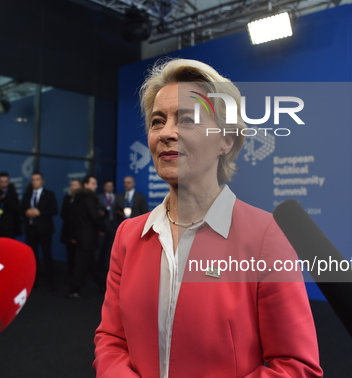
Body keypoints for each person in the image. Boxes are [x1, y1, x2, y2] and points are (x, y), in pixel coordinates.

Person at [94, 59, 323, 377]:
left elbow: (296, 366)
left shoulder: (266, 235)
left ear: (226, 140)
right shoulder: (129, 234)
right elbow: (112, 339)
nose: (167, 133)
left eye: (187, 119)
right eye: (158, 121)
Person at [67, 175, 105, 298]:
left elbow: (72, 219)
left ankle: (104, 286)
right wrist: (103, 227)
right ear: (86, 185)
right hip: (88, 236)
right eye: (93, 184)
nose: (96, 186)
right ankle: (73, 290)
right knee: (81, 264)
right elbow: (94, 216)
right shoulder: (88, 198)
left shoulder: (76, 198)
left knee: (91, 263)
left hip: (81, 235)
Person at [22, 172, 58, 291]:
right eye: (33, 179)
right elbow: (21, 208)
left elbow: (54, 210)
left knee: (47, 255)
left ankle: (51, 281)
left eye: (37, 179)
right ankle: (33, 281)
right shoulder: (27, 194)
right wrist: (26, 212)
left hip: (44, 230)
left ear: (42, 181)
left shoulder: (49, 194)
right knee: (32, 257)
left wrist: (40, 213)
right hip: (31, 229)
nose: (35, 181)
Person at [60, 178, 83, 278]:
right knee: (70, 255)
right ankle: (71, 276)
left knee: (79, 257)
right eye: (72, 185)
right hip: (68, 232)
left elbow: (80, 218)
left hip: (78, 233)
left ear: (80, 186)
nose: (73, 187)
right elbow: (63, 214)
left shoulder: (82, 200)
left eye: (75, 185)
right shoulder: (67, 198)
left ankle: (78, 278)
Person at [0, 171, 20, 239]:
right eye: (2, 181)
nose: (3, 184)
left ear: (8, 181)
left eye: (5, 182)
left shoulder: (13, 194)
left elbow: (15, 209)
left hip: (8, 226)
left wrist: (4, 199)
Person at [97, 180, 117, 273]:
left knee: (112, 248)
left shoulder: (117, 197)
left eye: (111, 186)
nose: (110, 188)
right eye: (108, 186)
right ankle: (98, 267)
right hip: (103, 226)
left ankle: (108, 267)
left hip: (114, 226)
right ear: (104, 187)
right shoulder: (99, 198)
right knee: (100, 247)